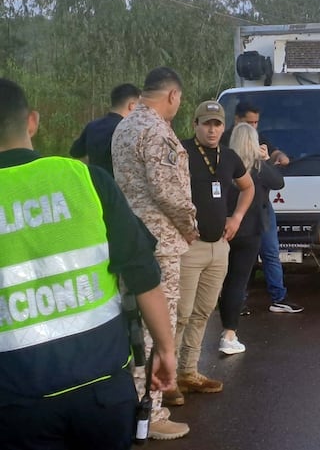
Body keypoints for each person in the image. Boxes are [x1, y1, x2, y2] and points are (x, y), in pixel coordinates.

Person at [0, 78, 177, 450]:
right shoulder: (86, 180)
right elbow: (142, 273)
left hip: (15, 399)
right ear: (32, 121)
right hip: (102, 389)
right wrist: (165, 348)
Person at [112, 66, 198, 440]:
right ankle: (151, 414)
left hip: (129, 238)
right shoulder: (157, 131)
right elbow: (167, 191)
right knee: (153, 329)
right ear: (173, 96)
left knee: (132, 328)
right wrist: (191, 225)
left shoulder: (125, 126)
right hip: (159, 243)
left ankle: (131, 406)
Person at [166, 100, 254, 405]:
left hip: (219, 247)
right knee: (181, 314)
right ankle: (167, 379)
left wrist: (237, 218)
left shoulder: (229, 157)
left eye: (217, 124)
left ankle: (189, 372)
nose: (212, 130)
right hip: (189, 247)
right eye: (206, 124)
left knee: (203, 312)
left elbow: (248, 187)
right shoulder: (181, 152)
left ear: (224, 126)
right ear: (195, 125)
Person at [224, 101, 303, 314]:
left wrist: (274, 158)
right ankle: (237, 300)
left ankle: (278, 297)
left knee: (270, 252)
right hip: (237, 212)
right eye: (250, 123)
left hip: (262, 209)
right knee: (237, 258)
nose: (254, 127)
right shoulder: (225, 145)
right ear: (237, 120)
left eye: (257, 122)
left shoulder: (259, 157)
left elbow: (277, 178)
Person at [218, 123, 285, 354]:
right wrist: (265, 159)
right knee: (238, 281)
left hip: (225, 228)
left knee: (225, 282)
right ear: (254, 143)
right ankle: (229, 334)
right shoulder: (258, 167)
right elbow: (279, 182)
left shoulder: (224, 162)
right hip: (251, 229)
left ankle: (217, 329)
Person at [69, 83, 141, 176]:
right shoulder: (127, 130)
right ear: (132, 106)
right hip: (116, 187)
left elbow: (75, 152)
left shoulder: (92, 126)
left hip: (94, 184)